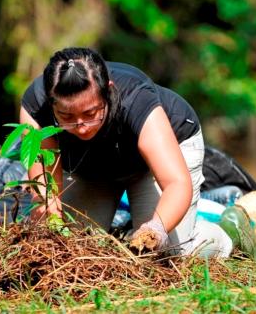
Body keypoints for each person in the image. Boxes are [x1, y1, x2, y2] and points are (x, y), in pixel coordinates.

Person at [20, 47, 236, 257]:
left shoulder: (136, 97)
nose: (81, 126)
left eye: (91, 113)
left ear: (109, 91)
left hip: (158, 160)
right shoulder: (36, 106)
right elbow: (46, 191)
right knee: (73, 246)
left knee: (165, 252)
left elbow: (176, 183)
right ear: (50, 103)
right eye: (66, 117)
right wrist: (48, 225)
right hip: (94, 165)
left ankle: (228, 232)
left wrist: (156, 229)